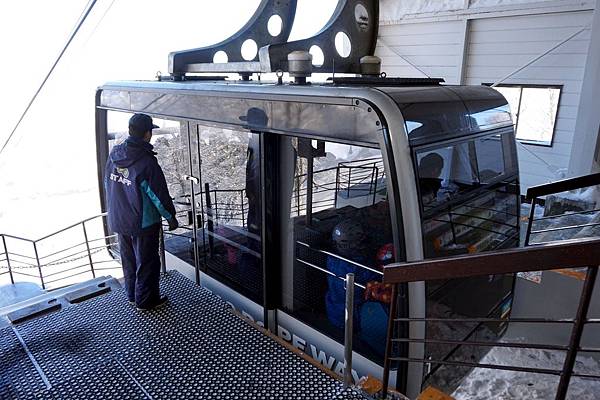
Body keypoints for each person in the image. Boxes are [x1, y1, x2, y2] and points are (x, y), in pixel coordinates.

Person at [105, 113, 179, 310]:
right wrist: (171, 217)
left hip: (120, 218)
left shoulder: (114, 156)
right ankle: (146, 301)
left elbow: (108, 185)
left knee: (129, 259)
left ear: (130, 131)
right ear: (147, 133)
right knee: (147, 262)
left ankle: (132, 295)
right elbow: (158, 194)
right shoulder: (146, 162)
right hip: (142, 222)